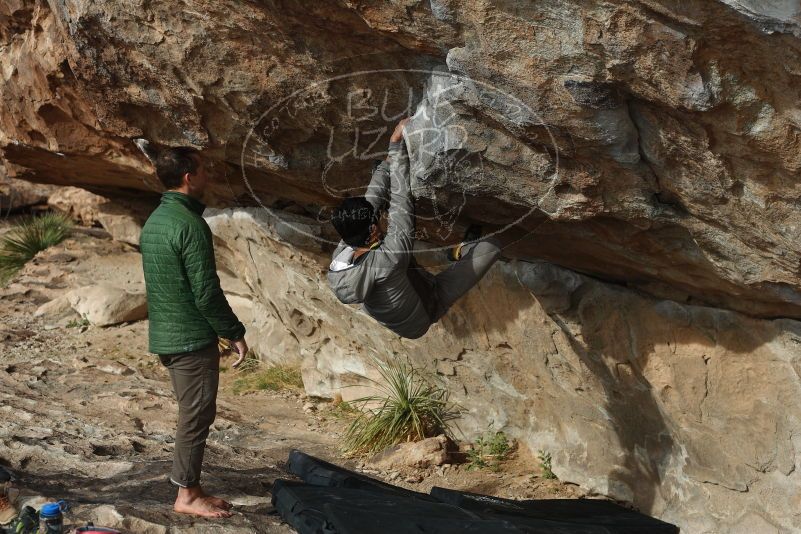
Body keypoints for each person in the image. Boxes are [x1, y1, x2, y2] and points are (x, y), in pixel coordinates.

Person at [140, 146, 249, 519]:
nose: (208, 177)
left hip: (167, 335)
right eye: (203, 171)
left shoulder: (155, 220)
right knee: (196, 415)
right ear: (189, 177)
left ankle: (194, 487)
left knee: (193, 411)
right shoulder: (190, 225)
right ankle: (186, 495)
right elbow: (205, 291)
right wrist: (234, 331)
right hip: (189, 339)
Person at [327, 119, 502, 339]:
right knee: (491, 247)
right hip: (427, 309)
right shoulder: (389, 259)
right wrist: (397, 146)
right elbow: (401, 202)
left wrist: (387, 163)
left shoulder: (343, 252)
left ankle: (450, 253)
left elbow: (373, 199)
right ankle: (460, 251)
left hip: (400, 292)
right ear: (372, 228)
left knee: (391, 254)